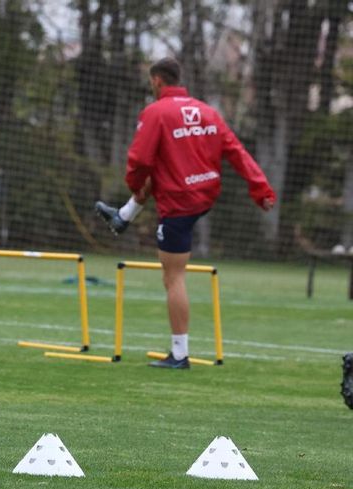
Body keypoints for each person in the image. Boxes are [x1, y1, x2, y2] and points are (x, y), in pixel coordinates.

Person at [95, 58, 276, 369]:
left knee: (173, 277)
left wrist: (136, 186)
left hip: (180, 203)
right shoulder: (207, 111)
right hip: (204, 192)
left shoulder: (155, 112)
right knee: (162, 164)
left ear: (156, 81)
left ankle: (179, 355)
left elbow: (138, 160)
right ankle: (124, 216)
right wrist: (261, 190)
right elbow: (236, 150)